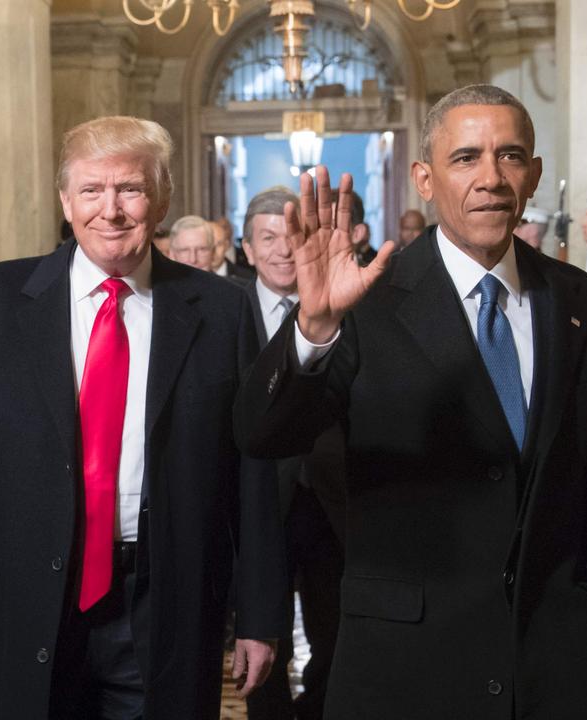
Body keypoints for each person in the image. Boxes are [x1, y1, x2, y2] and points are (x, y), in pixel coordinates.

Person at [236, 84, 587, 719]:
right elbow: (262, 434)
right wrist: (313, 329)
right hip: (406, 665)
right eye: (466, 158)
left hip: (549, 663)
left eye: (510, 156)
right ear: (425, 179)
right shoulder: (365, 301)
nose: (491, 178)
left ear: (534, 174)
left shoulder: (578, 301)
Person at [0, 115, 285, 719]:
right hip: (25, 598)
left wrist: (262, 617)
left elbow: (252, 473)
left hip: (167, 599)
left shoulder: (222, 310)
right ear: (65, 200)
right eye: (91, 190)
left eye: (130, 189)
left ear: (159, 199)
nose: (110, 210)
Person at [238, 187, 346, 720]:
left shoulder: (347, 300)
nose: (283, 250)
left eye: (291, 235)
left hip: (331, 496)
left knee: (335, 627)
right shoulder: (225, 311)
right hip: (257, 502)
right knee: (262, 631)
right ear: (247, 248)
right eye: (268, 238)